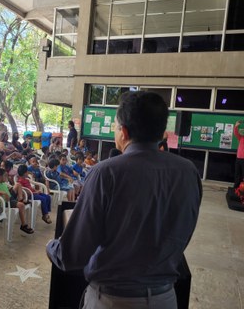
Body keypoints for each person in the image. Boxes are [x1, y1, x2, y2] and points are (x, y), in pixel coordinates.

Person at [46, 91, 202, 309]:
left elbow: (73, 255)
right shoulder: (189, 172)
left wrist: (52, 246)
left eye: (116, 126)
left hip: (113, 300)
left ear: (124, 131)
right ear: (163, 132)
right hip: (165, 298)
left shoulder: (106, 173)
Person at [0, 167, 34, 234]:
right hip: (5, 202)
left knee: (18, 184)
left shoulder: (3, 183)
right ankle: (23, 225)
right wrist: (4, 193)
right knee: (21, 206)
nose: (6, 177)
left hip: (10, 197)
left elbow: (10, 188)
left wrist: (13, 189)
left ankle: (20, 199)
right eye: (5, 176)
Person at [234, 120, 244, 189]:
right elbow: (236, 133)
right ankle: (236, 187)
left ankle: (242, 189)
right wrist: (236, 126)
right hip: (238, 158)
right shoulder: (241, 138)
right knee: (237, 174)